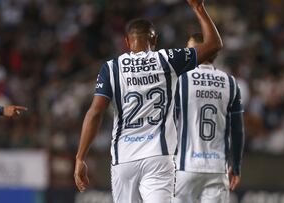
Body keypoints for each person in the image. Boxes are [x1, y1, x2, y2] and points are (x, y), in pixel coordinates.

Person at [74, 0, 222, 202]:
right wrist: (199, 8)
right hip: (158, 156)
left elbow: (95, 113)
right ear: (155, 40)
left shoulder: (111, 68)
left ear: (127, 42)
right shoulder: (167, 59)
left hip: (124, 158)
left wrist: (80, 157)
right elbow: (214, 45)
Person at [173, 33, 245, 203]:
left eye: (189, 49)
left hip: (185, 166)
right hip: (217, 168)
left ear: (200, 51)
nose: (185, 51)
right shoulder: (230, 82)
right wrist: (236, 166)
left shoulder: (181, 80)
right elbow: (238, 129)